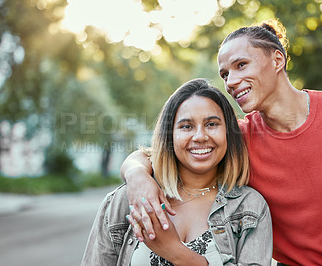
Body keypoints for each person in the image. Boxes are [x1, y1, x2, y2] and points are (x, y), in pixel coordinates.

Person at [121, 19, 322, 265]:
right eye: (224, 74)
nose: (230, 82)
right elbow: (157, 153)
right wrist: (137, 176)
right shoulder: (237, 140)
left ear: (277, 59)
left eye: (241, 65)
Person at [82, 79, 273, 265]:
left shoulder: (250, 208)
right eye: (186, 126)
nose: (200, 136)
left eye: (212, 124)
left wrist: (176, 252)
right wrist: (136, 172)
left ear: (229, 132)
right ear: (170, 135)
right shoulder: (128, 199)